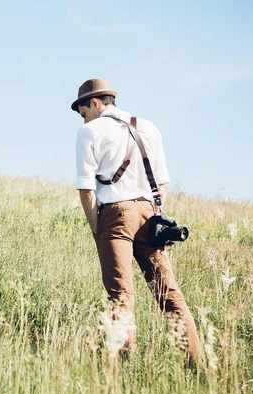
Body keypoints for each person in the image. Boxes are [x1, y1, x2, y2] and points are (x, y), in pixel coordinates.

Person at [72, 78, 202, 364]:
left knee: (121, 295)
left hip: (114, 215)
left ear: (94, 104)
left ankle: (123, 370)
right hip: (149, 215)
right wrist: (152, 214)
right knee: (168, 292)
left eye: (83, 112)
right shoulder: (148, 127)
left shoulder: (89, 131)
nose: (83, 118)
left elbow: (86, 190)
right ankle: (197, 364)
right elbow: (164, 182)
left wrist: (97, 228)